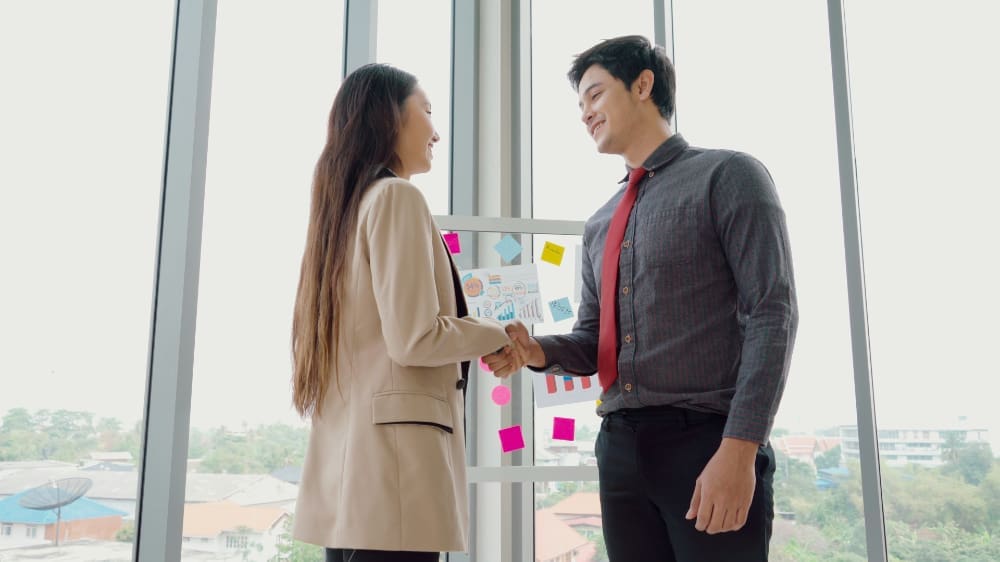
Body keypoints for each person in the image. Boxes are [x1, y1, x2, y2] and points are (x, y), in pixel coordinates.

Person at [486, 35, 798, 561]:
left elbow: (772, 312)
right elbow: (592, 340)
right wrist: (534, 351)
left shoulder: (728, 175)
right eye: (580, 104)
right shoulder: (600, 222)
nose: (585, 114)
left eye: (595, 94)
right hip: (619, 449)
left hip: (707, 443)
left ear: (643, 84)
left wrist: (740, 448)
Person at [291, 63, 515, 562]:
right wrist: (496, 332)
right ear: (389, 117)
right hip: (395, 477)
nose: (436, 130)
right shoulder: (396, 197)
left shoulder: (345, 212)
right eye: (428, 111)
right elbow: (416, 338)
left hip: (356, 485)